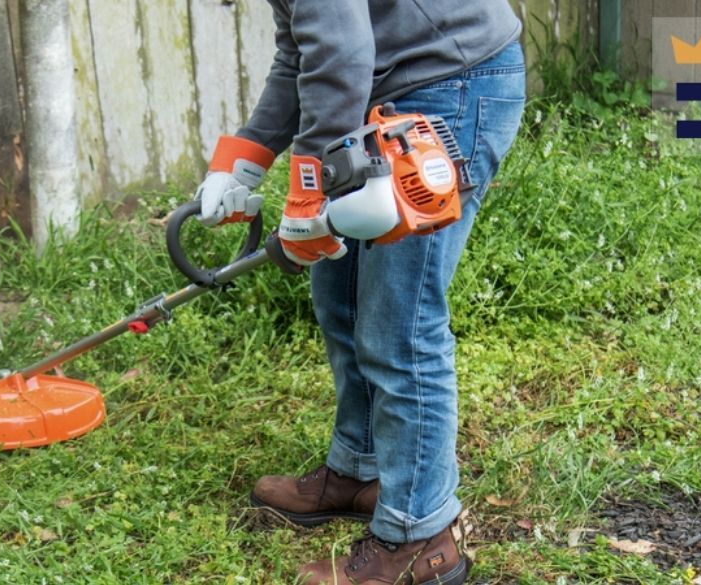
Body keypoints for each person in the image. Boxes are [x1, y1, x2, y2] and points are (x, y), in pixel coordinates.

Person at [194, 2, 525, 583]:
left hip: (450, 85)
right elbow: (304, 50)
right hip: (385, 89)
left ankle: (420, 532)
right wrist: (248, 156)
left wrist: (306, 192)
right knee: (341, 296)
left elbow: (340, 54)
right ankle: (362, 469)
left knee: (400, 323)